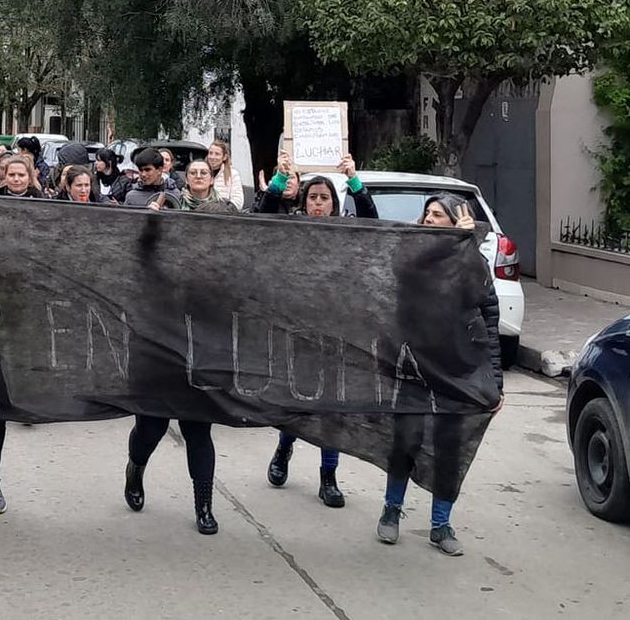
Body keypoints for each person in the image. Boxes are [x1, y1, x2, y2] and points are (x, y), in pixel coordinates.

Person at [376, 194, 503, 557]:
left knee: (450, 447)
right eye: (427, 214)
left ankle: (440, 524)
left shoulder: (471, 261)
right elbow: (402, 277)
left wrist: (495, 380)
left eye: (437, 215)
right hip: (413, 367)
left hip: (457, 370)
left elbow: (488, 316)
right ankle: (391, 509)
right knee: (406, 441)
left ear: (456, 222)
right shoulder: (412, 255)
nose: (429, 219)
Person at [260, 151, 377, 507]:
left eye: (325, 198)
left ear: (334, 204)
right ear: (304, 201)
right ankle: (283, 450)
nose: (318, 204)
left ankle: (329, 478)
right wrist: (279, 180)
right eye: (313, 197)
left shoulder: (347, 234)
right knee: (295, 401)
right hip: (296, 333)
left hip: (337, 336)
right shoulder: (291, 229)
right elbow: (261, 220)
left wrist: (355, 180)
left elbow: (373, 223)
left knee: (331, 409)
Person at [206, 139, 245, 210]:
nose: (212, 157)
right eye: (210, 153)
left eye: (217, 154)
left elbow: (238, 200)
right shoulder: (201, 172)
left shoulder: (233, 174)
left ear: (224, 157)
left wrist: (225, 211)